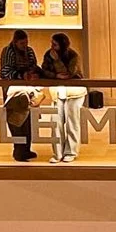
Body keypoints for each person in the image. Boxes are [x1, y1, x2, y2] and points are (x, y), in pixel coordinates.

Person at [41, 33, 86, 163]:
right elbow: (44, 71)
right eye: (51, 43)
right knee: (56, 123)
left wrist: (56, 62)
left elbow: (69, 73)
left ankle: (71, 152)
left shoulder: (73, 56)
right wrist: (55, 76)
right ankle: (57, 153)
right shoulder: (48, 55)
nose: (52, 47)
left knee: (72, 123)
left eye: (55, 44)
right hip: (57, 92)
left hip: (74, 92)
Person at [4, 66, 46, 163]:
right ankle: (19, 154)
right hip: (14, 113)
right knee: (18, 134)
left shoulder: (34, 86)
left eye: (36, 77)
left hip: (25, 112)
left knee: (27, 132)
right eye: (31, 76)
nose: (34, 79)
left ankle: (26, 151)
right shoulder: (17, 85)